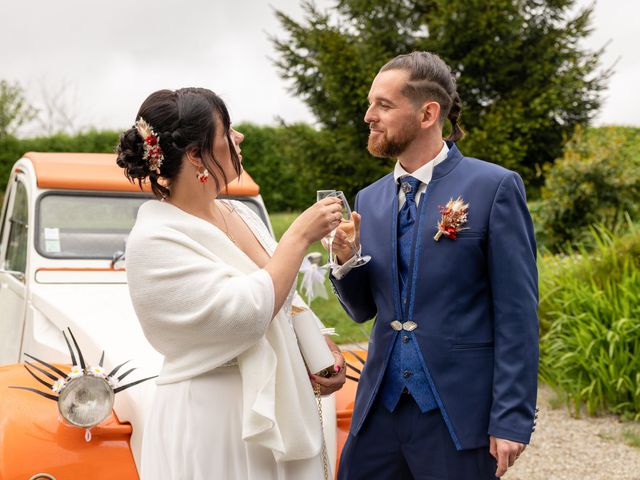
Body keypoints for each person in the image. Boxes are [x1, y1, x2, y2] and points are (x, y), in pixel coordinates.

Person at [117, 87, 346, 480]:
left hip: (278, 404)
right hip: (216, 422)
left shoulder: (239, 212)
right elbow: (244, 313)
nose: (239, 138)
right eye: (227, 130)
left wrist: (317, 347)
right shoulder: (154, 239)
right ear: (195, 155)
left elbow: (283, 295)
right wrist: (296, 237)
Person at [329, 52, 539, 479]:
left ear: (428, 113)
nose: (369, 116)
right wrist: (346, 262)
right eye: (370, 103)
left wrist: (511, 418)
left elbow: (516, 313)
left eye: (384, 105)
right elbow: (364, 309)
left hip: (457, 413)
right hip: (377, 411)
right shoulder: (369, 198)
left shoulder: (494, 186)